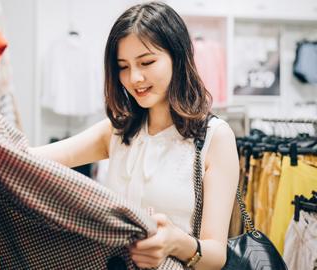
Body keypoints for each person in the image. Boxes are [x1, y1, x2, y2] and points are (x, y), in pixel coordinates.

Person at [30, 2, 239, 269]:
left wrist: (175, 242)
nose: (134, 78)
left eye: (147, 62)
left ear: (178, 56)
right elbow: (35, 158)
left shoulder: (215, 137)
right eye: (123, 66)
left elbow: (216, 256)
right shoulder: (118, 130)